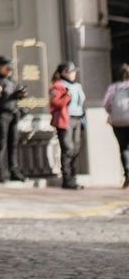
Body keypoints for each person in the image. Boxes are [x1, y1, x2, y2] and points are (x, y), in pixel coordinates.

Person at [0, 56, 28, 183]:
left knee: (13, 143)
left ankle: (14, 170)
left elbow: (17, 96)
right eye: (7, 69)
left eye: (11, 69)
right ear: (0, 68)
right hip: (2, 115)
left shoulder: (13, 81)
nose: (9, 71)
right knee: (1, 143)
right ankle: (0, 172)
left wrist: (21, 94)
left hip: (13, 114)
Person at [50, 61, 87, 190]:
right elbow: (55, 103)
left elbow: (81, 103)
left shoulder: (77, 86)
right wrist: (66, 97)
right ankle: (67, 180)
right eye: (71, 71)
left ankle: (74, 178)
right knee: (68, 149)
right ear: (64, 73)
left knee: (76, 149)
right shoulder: (58, 86)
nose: (74, 74)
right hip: (66, 120)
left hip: (78, 119)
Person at [103, 64, 129, 189]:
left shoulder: (113, 87)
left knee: (123, 148)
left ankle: (127, 174)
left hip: (118, 121)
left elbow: (106, 104)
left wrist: (113, 113)